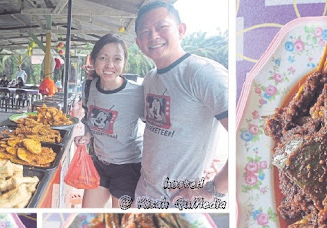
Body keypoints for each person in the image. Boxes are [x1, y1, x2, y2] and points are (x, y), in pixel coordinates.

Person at [133, 2, 229, 206]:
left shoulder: (202, 73)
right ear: (138, 42)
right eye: (145, 31)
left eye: (162, 26)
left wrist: (215, 189)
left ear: (181, 30)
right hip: (145, 193)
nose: (154, 36)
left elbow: (246, 135)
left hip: (181, 201)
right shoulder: (150, 78)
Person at [73, 33, 144, 208]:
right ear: (94, 60)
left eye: (117, 59)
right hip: (99, 163)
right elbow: (90, 119)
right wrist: (87, 136)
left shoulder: (137, 93)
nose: (110, 65)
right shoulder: (89, 86)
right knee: (87, 215)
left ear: (124, 62)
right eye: (103, 58)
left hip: (128, 168)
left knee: (120, 224)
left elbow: (157, 129)